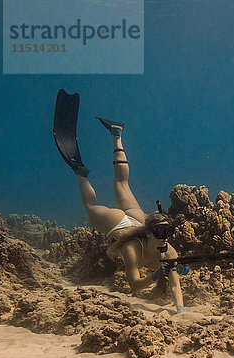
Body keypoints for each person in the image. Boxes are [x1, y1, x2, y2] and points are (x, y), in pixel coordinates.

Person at [53, 89, 185, 314]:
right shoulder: (133, 248)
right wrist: (154, 275)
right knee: (92, 207)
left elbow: (175, 285)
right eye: (162, 233)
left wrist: (180, 311)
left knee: (122, 184)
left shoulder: (169, 252)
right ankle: (80, 172)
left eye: (169, 232)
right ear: (150, 233)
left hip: (139, 220)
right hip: (120, 224)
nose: (166, 238)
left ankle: (117, 133)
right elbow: (134, 285)